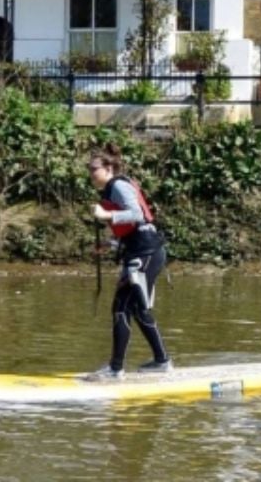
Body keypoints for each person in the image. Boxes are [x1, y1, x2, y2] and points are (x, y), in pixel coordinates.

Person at [87, 144, 172, 379]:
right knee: (136, 308)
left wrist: (107, 215)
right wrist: (111, 244)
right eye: (88, 168)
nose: (90, 173)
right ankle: (162, 361)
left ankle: (116, 369)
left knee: (121, 307)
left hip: (146, 253)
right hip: (141, 250)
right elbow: (131, 230)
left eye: (94, 168)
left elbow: (137, 215)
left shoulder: (119, 186)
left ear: (109, 167)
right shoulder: (111, 189)